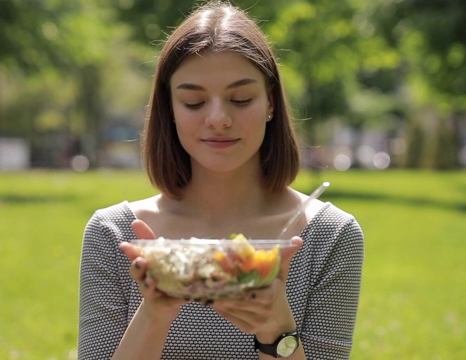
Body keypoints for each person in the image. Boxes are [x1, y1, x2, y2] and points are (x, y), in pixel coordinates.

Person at [77, 1, 364, 359]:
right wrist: (153, 315)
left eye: (241, 99)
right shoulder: (116, 235)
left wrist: (275, 331)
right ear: (169, 111)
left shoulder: (329, 236)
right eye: (194, 102)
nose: (218, 118)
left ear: (271, 103)